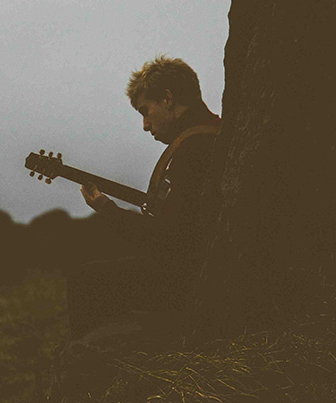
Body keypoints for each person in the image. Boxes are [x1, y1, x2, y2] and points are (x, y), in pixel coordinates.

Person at [67, 55, 221, 339]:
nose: (145, 125)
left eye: (145, 111)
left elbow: (170, 238)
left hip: (191, 278)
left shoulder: (194, 149)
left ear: (167, 99)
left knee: (84, 281)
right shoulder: (210, 134)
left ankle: (90, 370)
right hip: (202, 268)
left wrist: (106, 209)